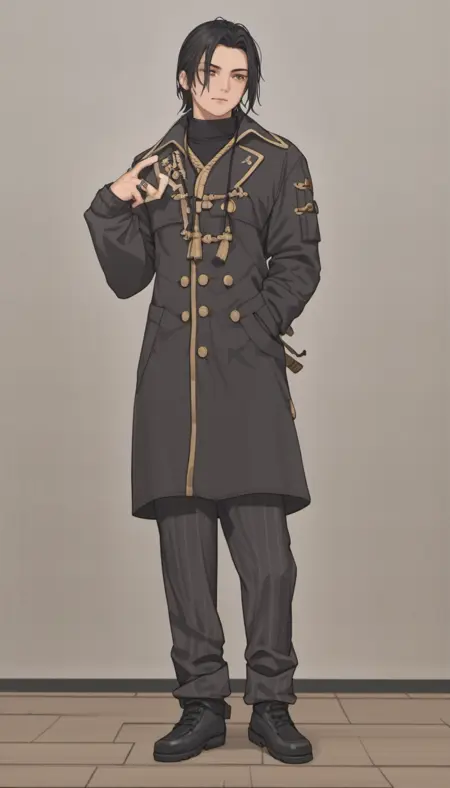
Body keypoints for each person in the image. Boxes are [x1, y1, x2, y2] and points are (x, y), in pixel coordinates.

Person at [84, 17, 321, 766]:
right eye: (211, 72)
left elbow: (300, 259)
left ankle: (272, 704)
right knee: (185, 561)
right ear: (185, 77)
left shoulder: (279, 160)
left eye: (238, 75)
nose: (224, 87)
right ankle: (201, 705)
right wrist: (115, 199)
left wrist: (262, 321)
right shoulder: (154, 165)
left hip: (246, 378)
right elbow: (129, 277)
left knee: (269, 562)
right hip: (172, 383)